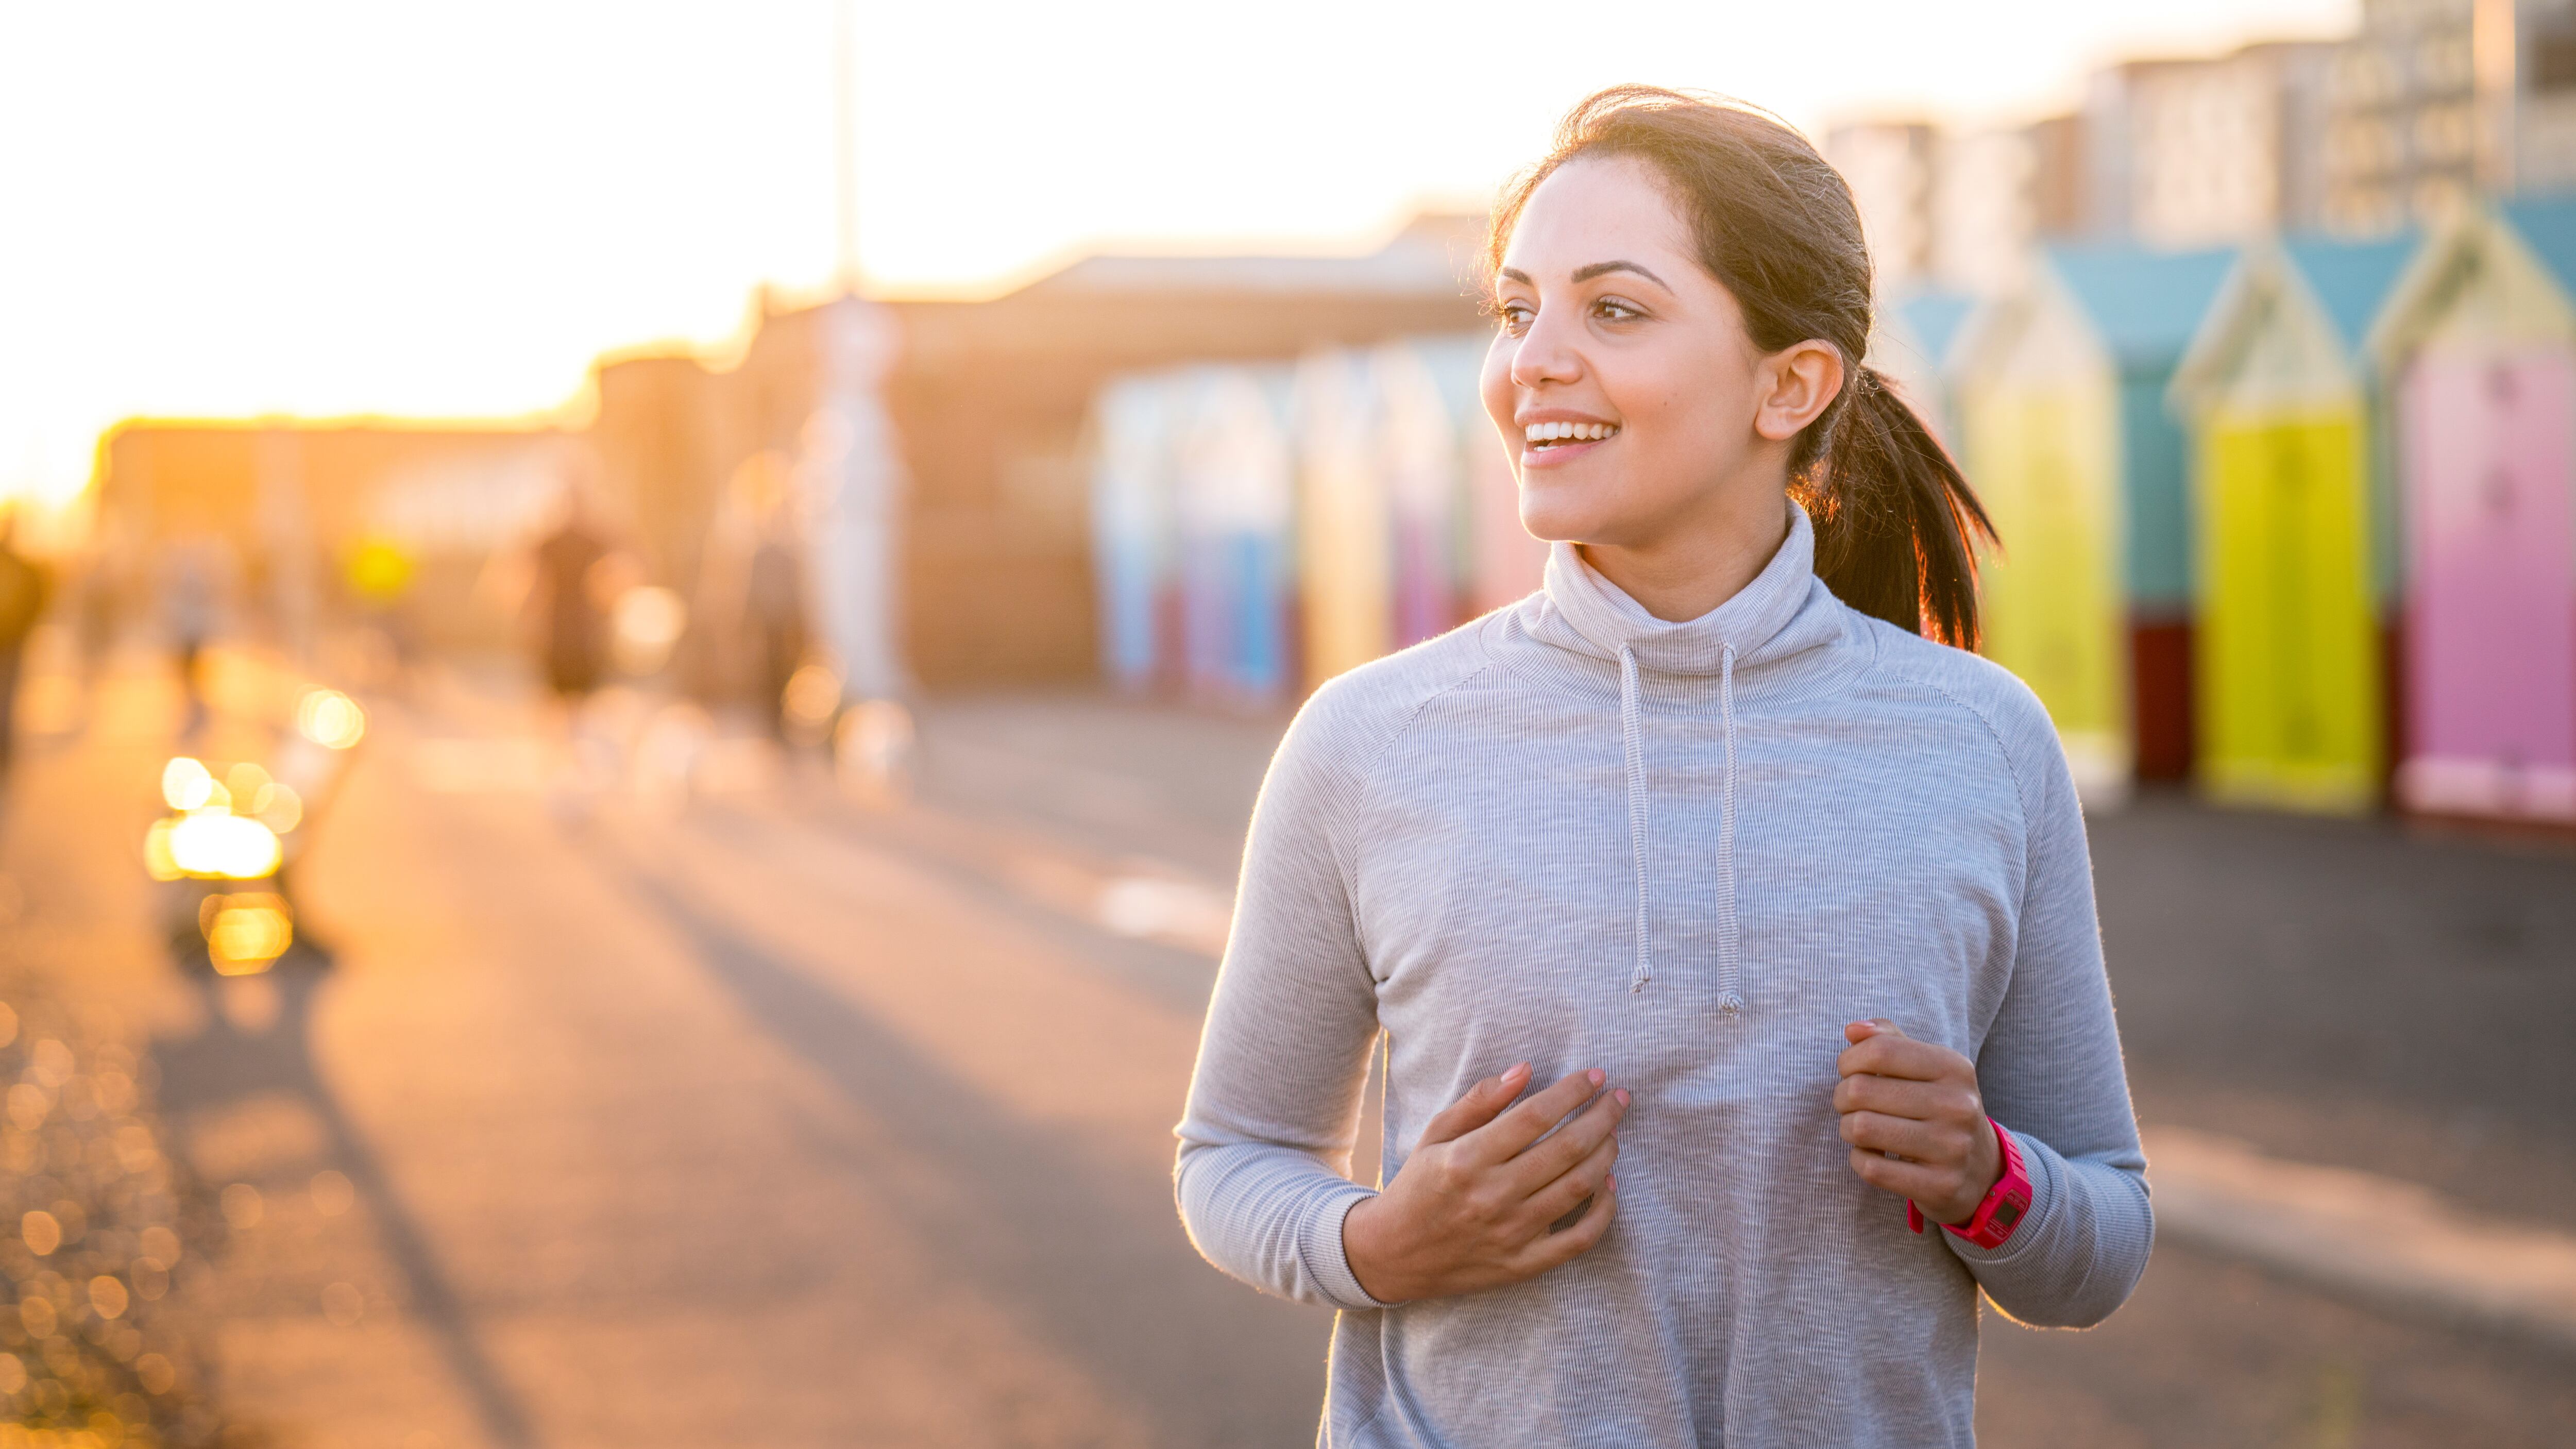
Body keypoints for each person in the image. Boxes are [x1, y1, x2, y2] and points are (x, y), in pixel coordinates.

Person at [1174, 88, 2148, 1447]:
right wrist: (1382, 1243)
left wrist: (1992, 1180)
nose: (1536, 363)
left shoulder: (1981, 744)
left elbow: (2101, 1233)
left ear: (1790, 384)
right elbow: (1230, 1157)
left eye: (1612, 310)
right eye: (1519, 311)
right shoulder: (1368, 741)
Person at [0, 513, 50, 779]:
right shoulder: (22, 566)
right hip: (14, 639)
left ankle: (6, 744)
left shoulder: (22, 567)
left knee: (8, 694)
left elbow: (37, 598)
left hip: (13, 640)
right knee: (7, 695)